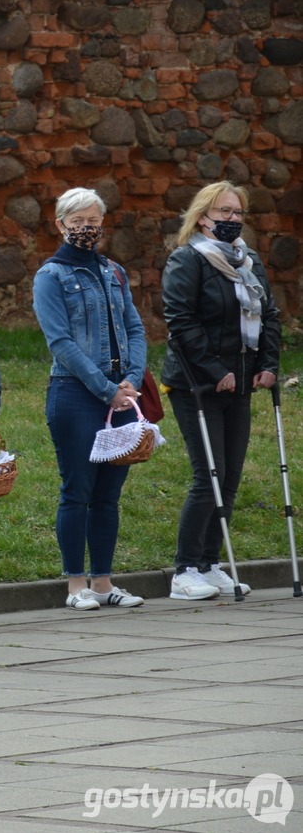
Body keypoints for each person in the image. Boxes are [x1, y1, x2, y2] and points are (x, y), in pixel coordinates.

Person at [161, 181, 280, 600]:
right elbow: (180, 320)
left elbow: (270, 314)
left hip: (241, 382)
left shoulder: (248, 261)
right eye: (223, 212)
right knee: (207, 476)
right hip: (196, 384)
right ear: (202, 216)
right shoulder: (187, 260)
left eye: (237, 213)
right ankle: (184, 569)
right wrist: (214, 370)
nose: (231, 219)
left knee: (229, 477)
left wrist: (268, 364)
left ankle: (211, 564)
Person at [33, 188, 147, 611]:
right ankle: (75, 585)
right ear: (60, 225)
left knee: (108, 494)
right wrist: (106, 388)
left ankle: (103, 583)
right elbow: (60, 341)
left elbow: (134, 328)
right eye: (77, 222)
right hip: (75, 394)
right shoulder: (51, 275)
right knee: (77, 489)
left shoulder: (114, 271)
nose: (86, 229)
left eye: (93, 221)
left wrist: (130, 381)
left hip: (120, 394)